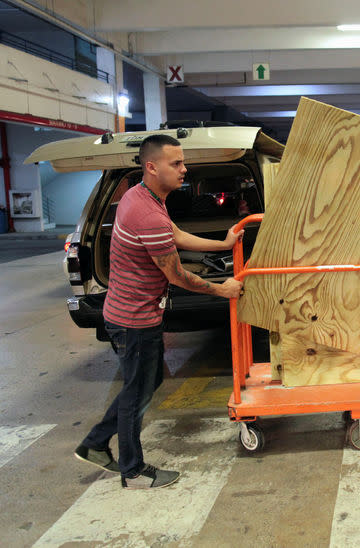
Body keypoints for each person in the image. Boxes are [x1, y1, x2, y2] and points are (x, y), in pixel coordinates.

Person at [73, 134, 244, 489]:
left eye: (183, 162)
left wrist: (223, 243)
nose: (185, 169)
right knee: (137, 391)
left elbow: (175, 233)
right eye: (176, 164)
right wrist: (222, 288)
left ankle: (93, 445)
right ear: (151, 167)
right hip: (133, 319)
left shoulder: (142, 196)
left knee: (147, 383)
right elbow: (177, 275)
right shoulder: (146, 212)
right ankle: (132, 470)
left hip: (132, 313)